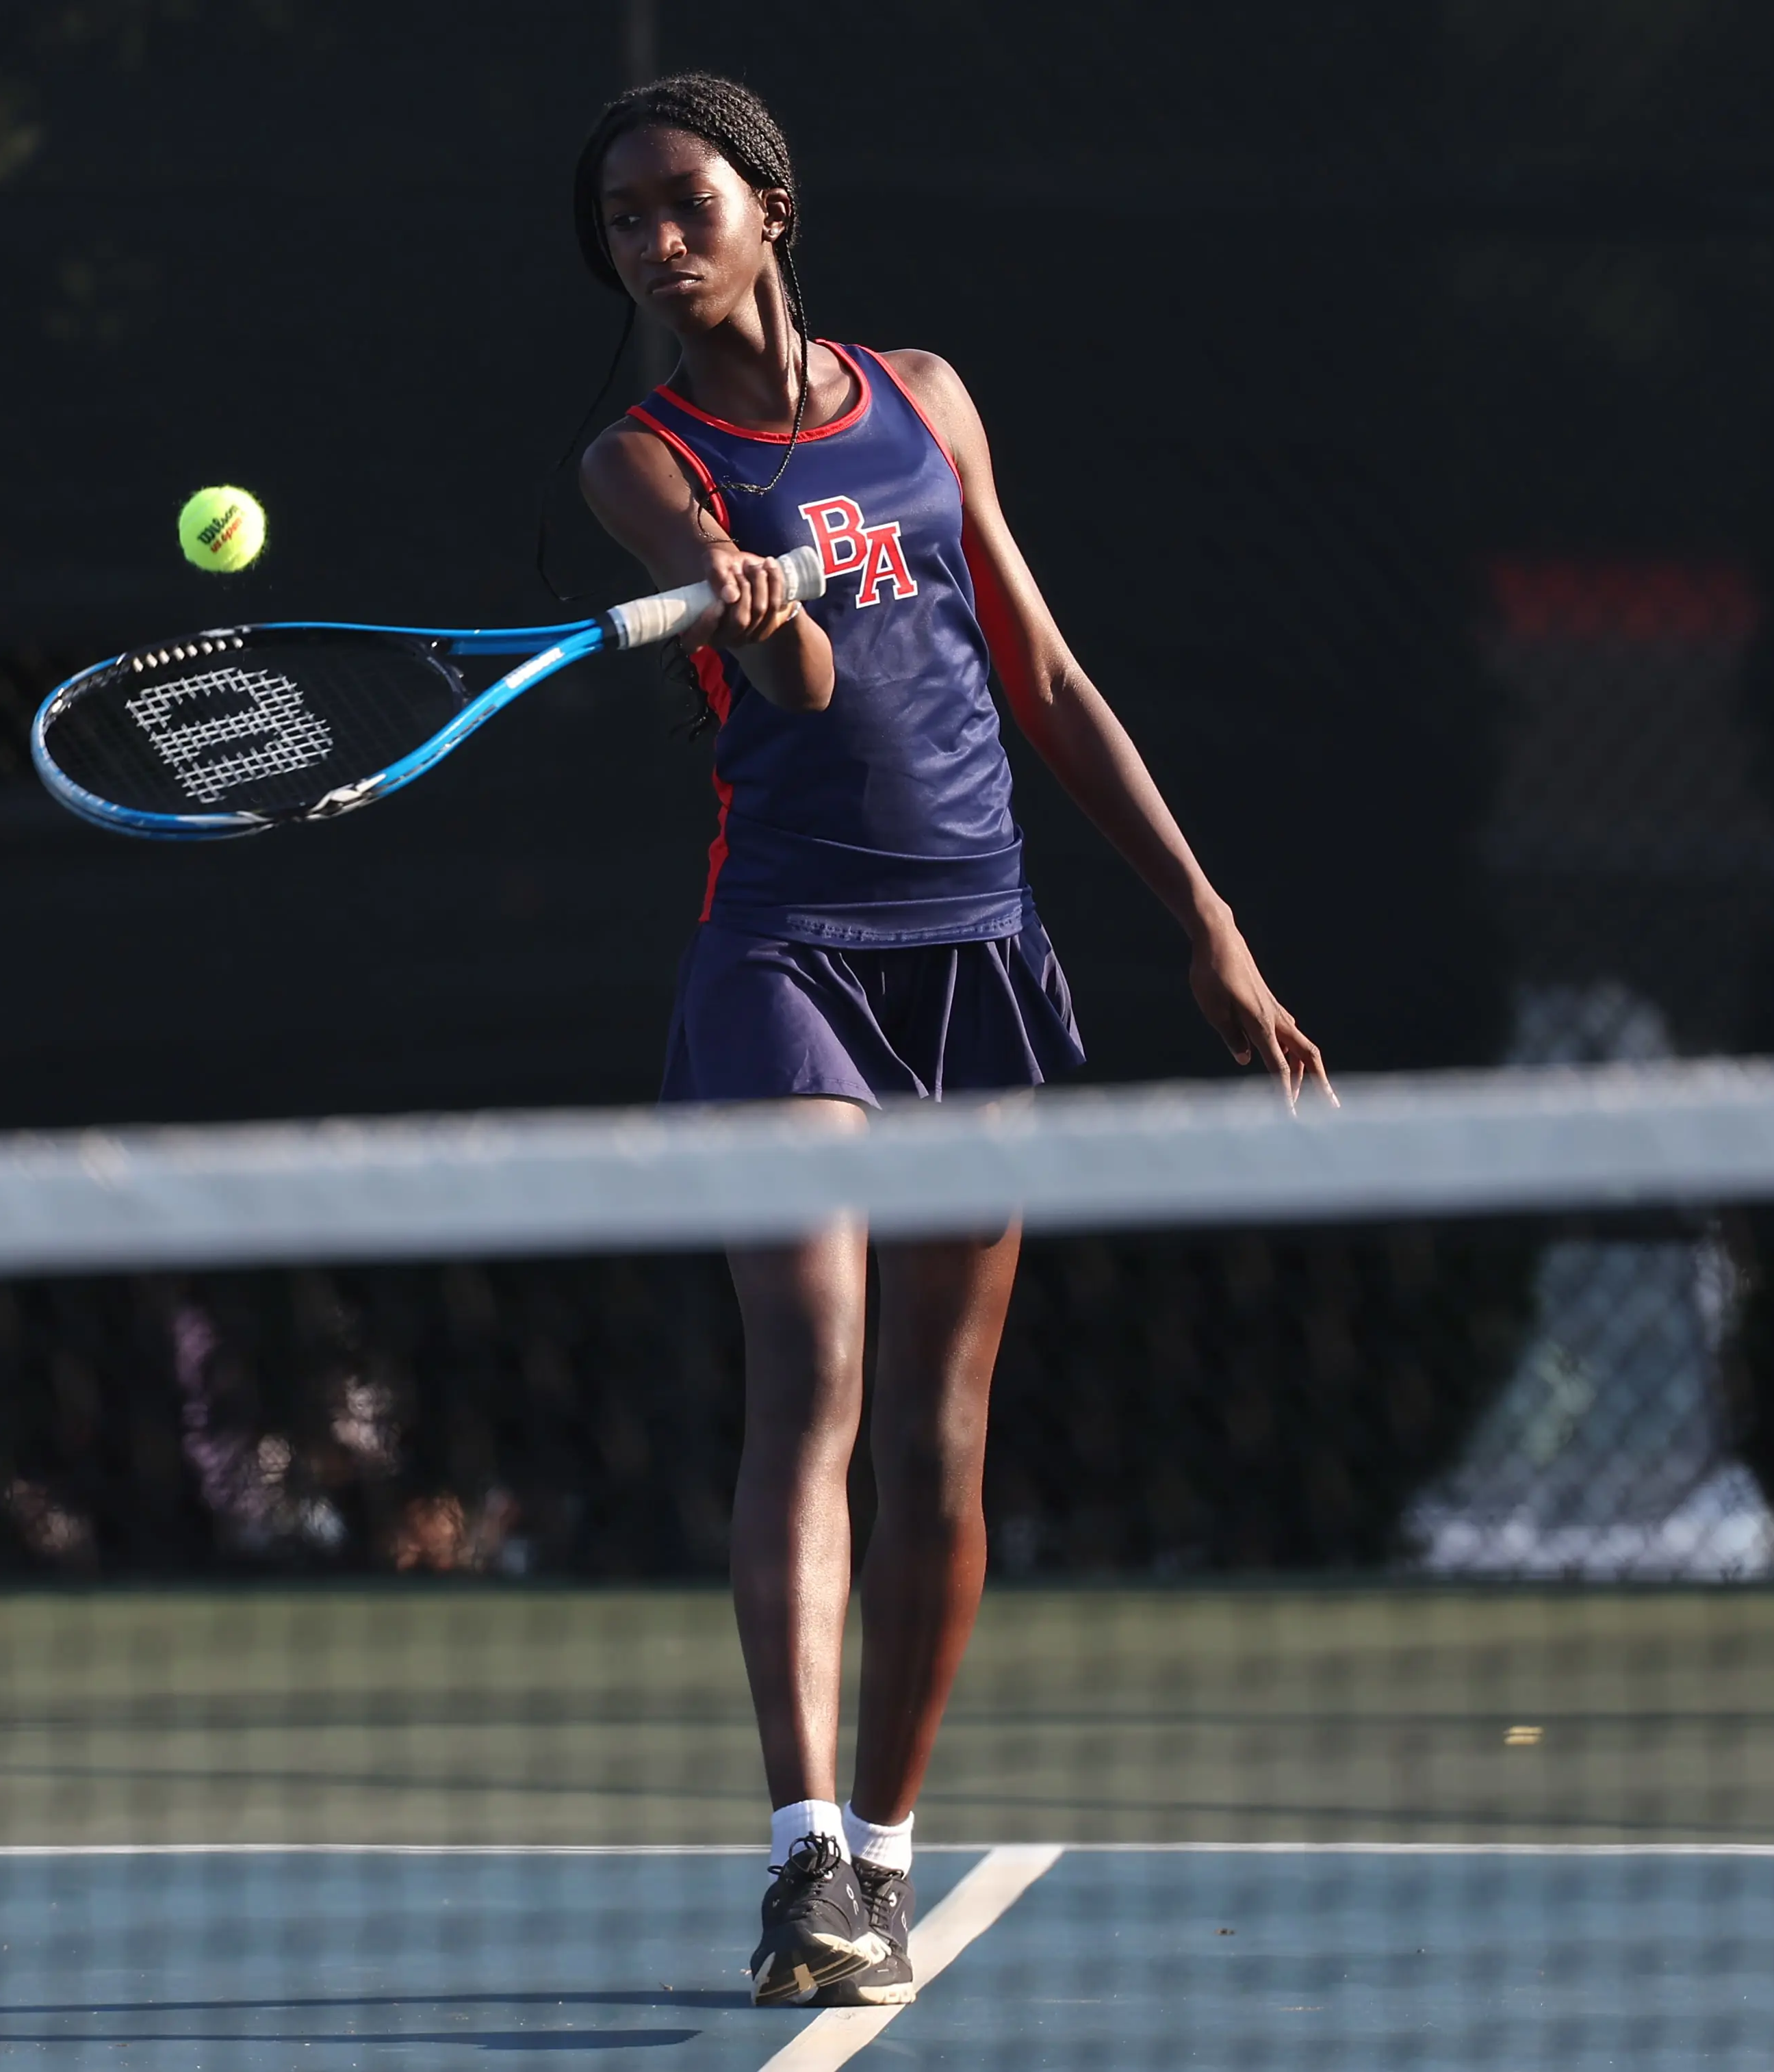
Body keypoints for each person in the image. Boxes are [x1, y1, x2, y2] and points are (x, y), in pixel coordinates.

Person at [567, 74, 1328, 2008]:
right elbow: (811, 687)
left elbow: (1040, 670)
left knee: (938, 1431)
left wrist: (1208, 920)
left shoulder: (926, 398)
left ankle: (888, 1855)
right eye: (623, 219)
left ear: (768, 202)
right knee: (812, 1375)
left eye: (682, 199)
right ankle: (803, 1849)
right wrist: (755, 608)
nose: (653, 240)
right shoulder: (639, 462)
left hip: (975, 943)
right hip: (784, 954)